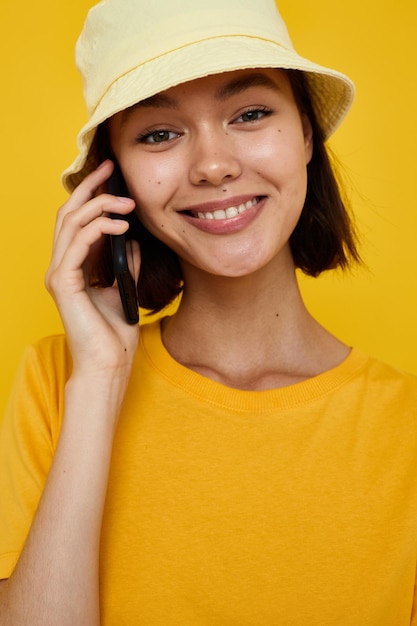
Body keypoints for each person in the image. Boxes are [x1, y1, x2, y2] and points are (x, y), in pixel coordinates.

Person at [0, 0, 416, 623]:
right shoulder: (58, 385)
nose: (214, 165)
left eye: (250, 114)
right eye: (159, 134)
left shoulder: (404, 425)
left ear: (306, 133)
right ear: (116, 185)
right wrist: (101, 381)